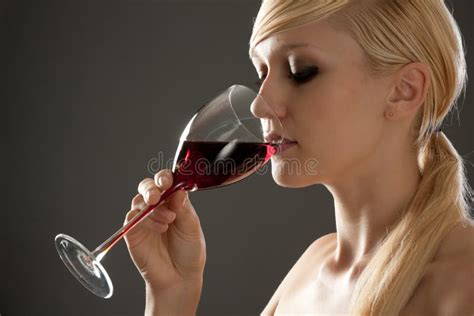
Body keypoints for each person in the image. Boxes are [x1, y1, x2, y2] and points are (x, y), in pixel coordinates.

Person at [124, 0, 474, 315]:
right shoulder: (310, 269)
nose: (259, 105)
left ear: (404, 91)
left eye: (300, 71)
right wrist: (172, 294)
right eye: (263, 73)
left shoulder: (463, 284)